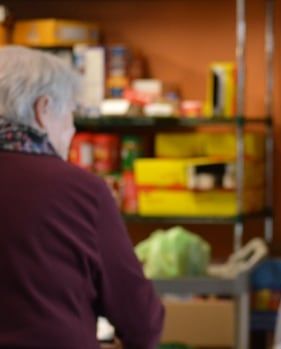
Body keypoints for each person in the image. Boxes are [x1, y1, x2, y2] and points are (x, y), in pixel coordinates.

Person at [0, 46, 164, 348]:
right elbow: (140, 319)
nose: (73, 128)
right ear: (43, 109)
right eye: (70, 112)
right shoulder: (80, 190)